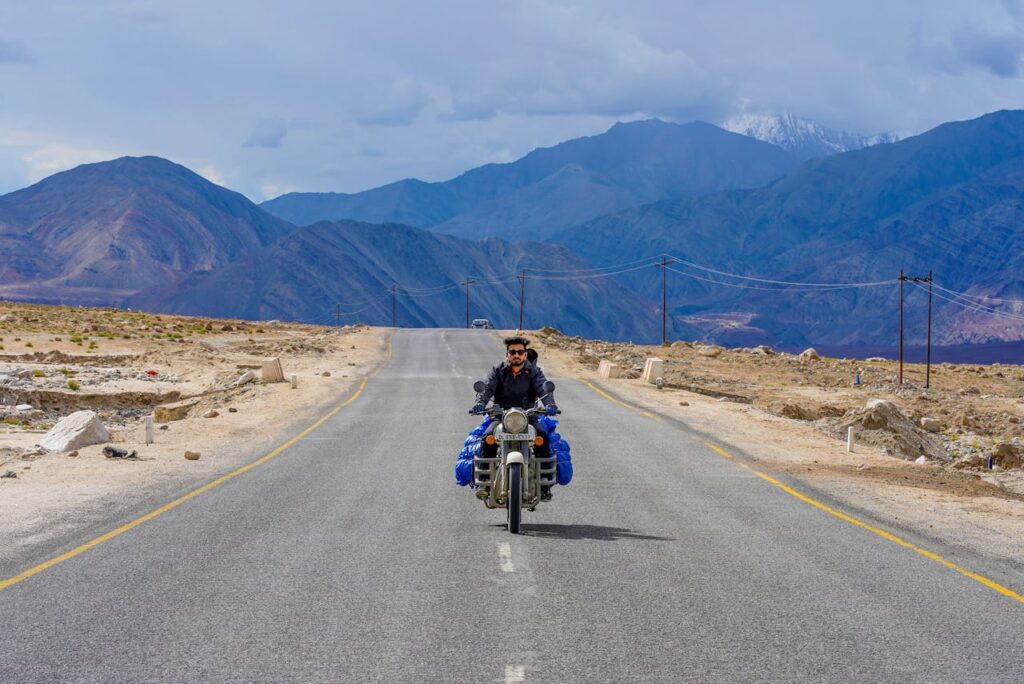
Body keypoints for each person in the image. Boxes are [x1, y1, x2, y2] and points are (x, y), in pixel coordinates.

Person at [471, 336, 558, 499]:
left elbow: (543, 389)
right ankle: (484, 482)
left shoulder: (534, 372)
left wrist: (550, 405)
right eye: (512, 352)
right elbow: (487, 388)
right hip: (501, 416)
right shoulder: (498, 371)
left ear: (525, 354)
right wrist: (480, 403)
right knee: (488, 438)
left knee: (542, 438)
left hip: (528, 416)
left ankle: (545, 484)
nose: (516, 355)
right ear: (507, 354)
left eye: (520, 352)